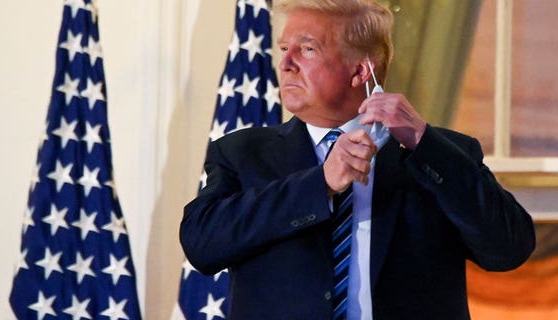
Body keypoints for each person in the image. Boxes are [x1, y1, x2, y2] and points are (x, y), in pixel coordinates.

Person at [180, 0, 536, 319]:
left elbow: (509, 248)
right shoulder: (242, 153)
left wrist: (424, 143)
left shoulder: (440, 154)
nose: (286, 64)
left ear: (360, 72)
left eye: (307, 49)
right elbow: (201, 245)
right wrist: (319, 184)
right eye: (284, 48)